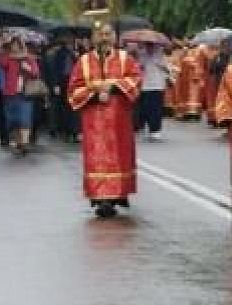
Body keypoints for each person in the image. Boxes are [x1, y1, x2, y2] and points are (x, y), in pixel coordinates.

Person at [68, 23, 141, 218]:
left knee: (119, 157)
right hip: (94, 122)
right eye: (100, 35)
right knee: (96, 160)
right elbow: (73, 90)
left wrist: (114, 86)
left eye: (108, 34)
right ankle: (100, 198)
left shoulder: (126, 59)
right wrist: (93, 94)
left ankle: (118, 194)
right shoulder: (83, 61)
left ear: (115, 37)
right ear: (93, 38)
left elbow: (135, 80)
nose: (104, 38)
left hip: (119, 119)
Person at [0, 35, 41, 156]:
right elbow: (0, 61)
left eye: (17, 44)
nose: (15, 47)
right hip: (10, 93)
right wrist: (1, 45)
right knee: (13, 120)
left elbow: (36, 73)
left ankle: (24, 143)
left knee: (24, 119)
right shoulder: (7, 58)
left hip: (25, 93)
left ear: (21, 45)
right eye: (12, 45)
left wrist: (28, 68)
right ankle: (19, 142)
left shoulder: (28, 58)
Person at [134, 42, 169, 141]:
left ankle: (155, 130)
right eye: (148, 45)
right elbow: (137, 67)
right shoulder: (141, 54)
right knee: (146, 108)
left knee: (156, 109)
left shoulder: (160, 54)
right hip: (145, 85)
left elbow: (167, 68)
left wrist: (162, 66)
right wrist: (139, 64)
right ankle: (147, 125)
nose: (150, 47)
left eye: (151, 45)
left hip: (158, 85)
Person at [212, 37, 232, 132]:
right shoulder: (231, 63)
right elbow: (213, 69)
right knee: (230, 116)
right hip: (227, 90)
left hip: (228, 90)